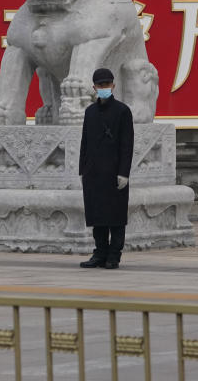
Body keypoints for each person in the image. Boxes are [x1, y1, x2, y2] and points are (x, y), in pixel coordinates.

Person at [78, 67, 134, 270]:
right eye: (100, 85)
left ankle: (114, 256)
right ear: (94, 87)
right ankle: (99, 253)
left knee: (116, 217)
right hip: (93, 173)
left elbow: (127, 144)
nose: (104, 88)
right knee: (97, 217)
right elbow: (84, 142)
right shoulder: (90, 112)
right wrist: (82, 169)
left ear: (113, 86)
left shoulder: (123, 111)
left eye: (107, 84)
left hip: (114, 173)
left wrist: (124, 172)